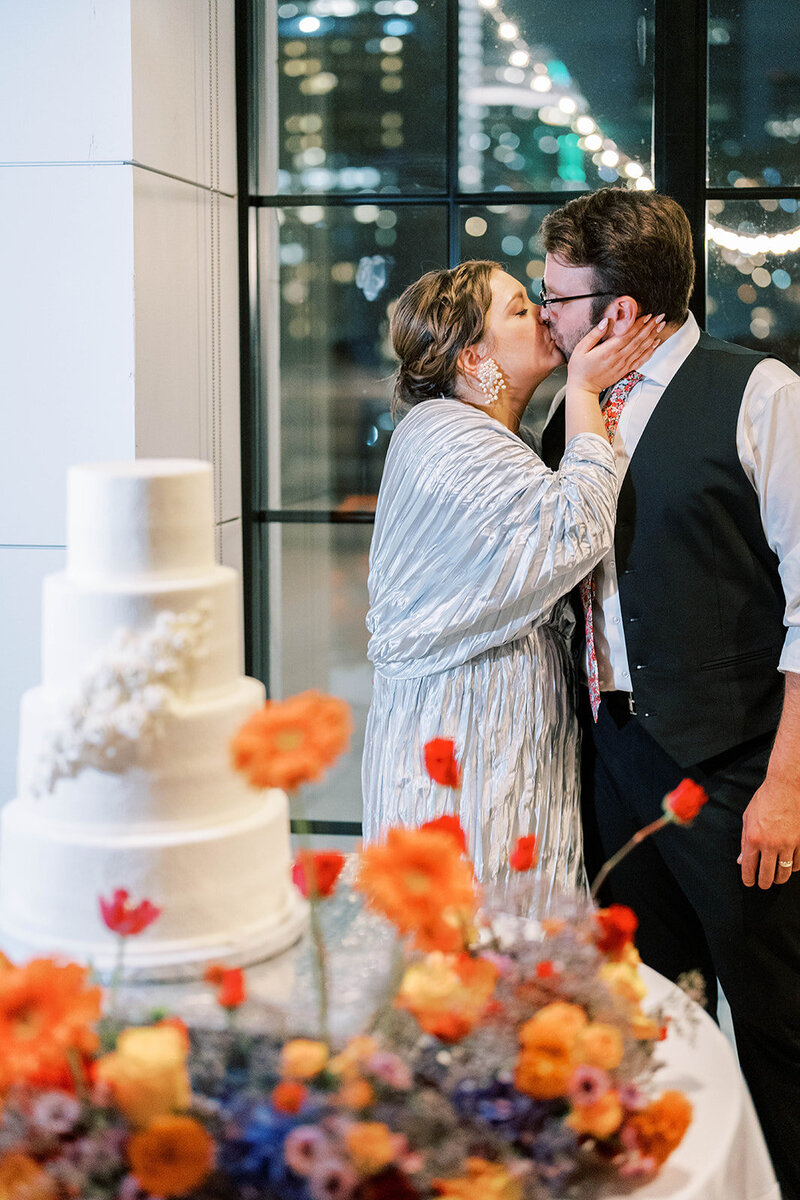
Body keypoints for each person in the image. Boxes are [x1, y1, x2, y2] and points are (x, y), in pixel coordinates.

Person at [538, 187, 800, 1200]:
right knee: (648, 1020)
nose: (544, 313)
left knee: (776, 1028)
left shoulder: (760, 393)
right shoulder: (578, 408)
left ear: (613, 309)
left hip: (736, 771)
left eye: (554, 296)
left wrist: (782, 788)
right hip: (613, 761)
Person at [362, 259, 662, 900]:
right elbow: (573, 532)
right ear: (474, 357)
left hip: (502, 734)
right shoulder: (448, 437)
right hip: (464, 747)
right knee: (479, 947)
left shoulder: (496, 434)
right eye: (521, 309)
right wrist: (584, 394)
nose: (545, 315)